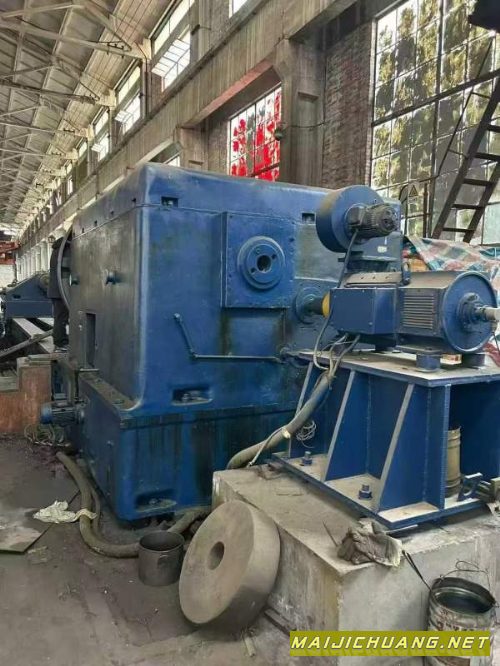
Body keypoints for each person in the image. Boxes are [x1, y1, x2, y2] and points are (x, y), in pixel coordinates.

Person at [48, 235, 69, 352]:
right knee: (61, 318)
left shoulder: (56, 250)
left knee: (59, 318)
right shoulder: (65, 250)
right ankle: (60, 343)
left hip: (55, 290)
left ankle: (59, 341)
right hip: (61, 290)